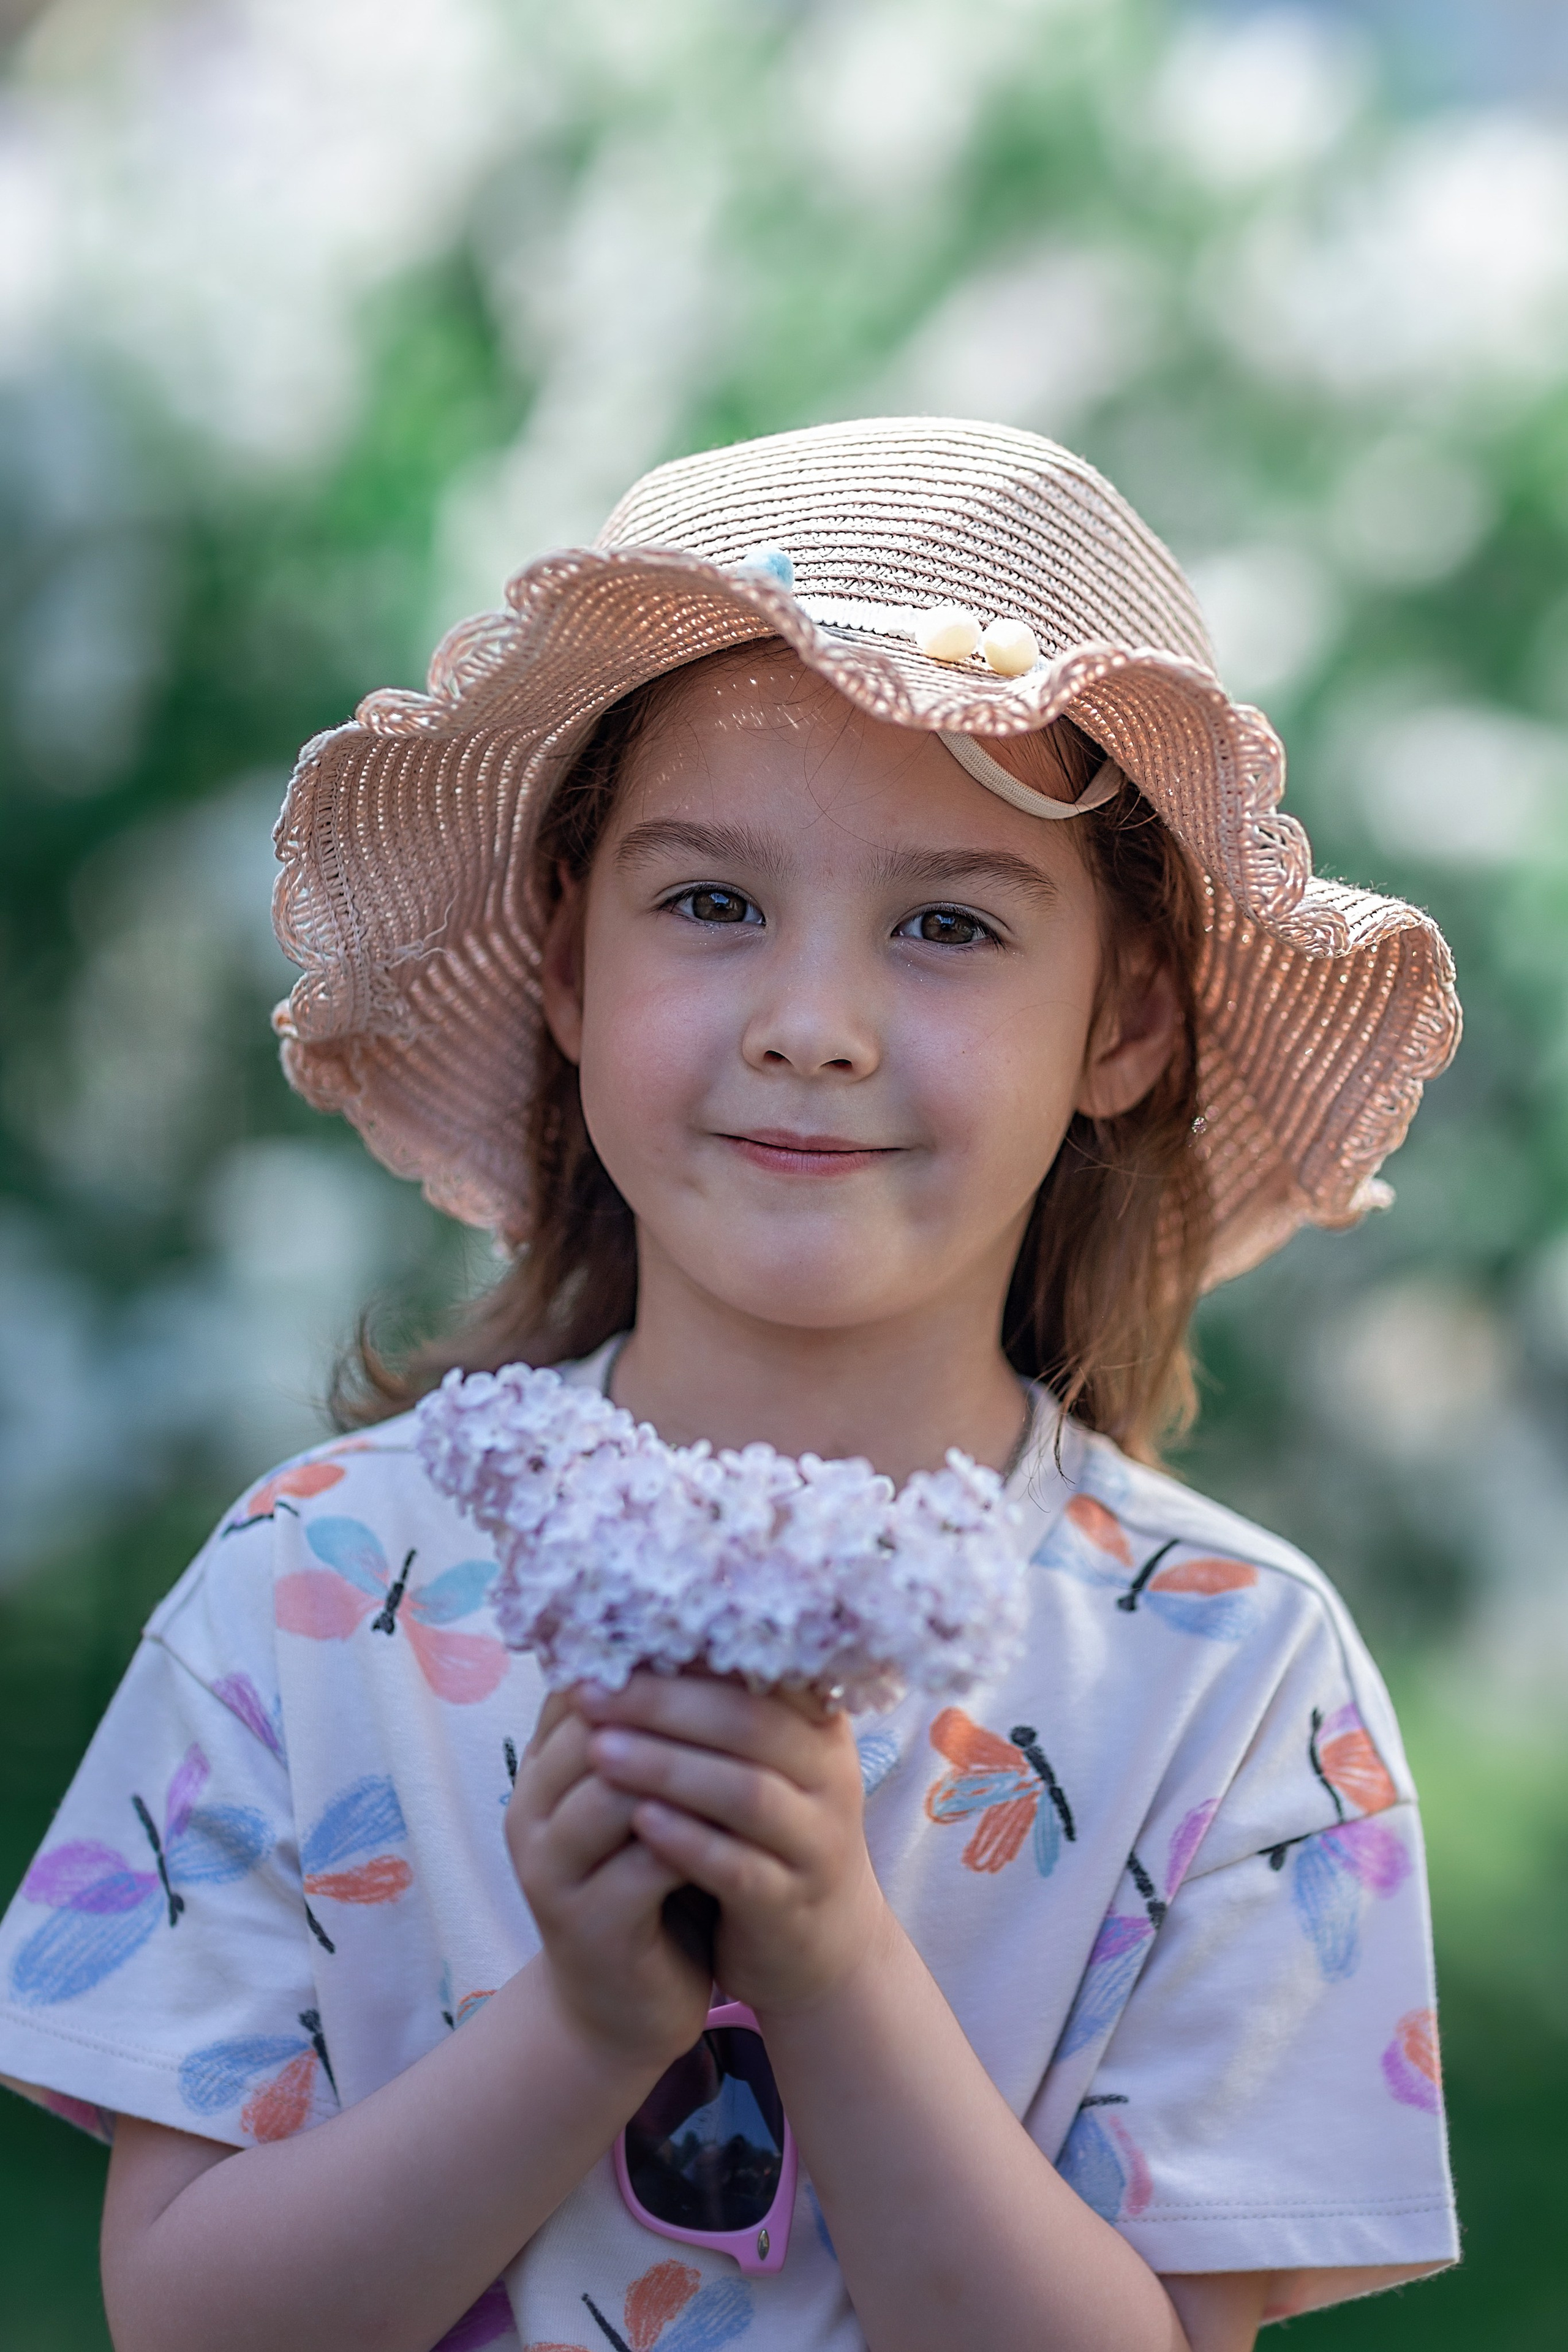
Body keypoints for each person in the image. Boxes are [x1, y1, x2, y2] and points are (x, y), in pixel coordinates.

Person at [0, 418, 1461, 2352]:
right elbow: (187, 2321)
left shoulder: (1235, 1677)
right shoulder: (314, 1591)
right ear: (567, 966)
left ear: (1119, 1023)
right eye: (709, 903)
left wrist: (837, 1965)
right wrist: (591, 2022)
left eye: (948, 925)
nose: (810, 1026)